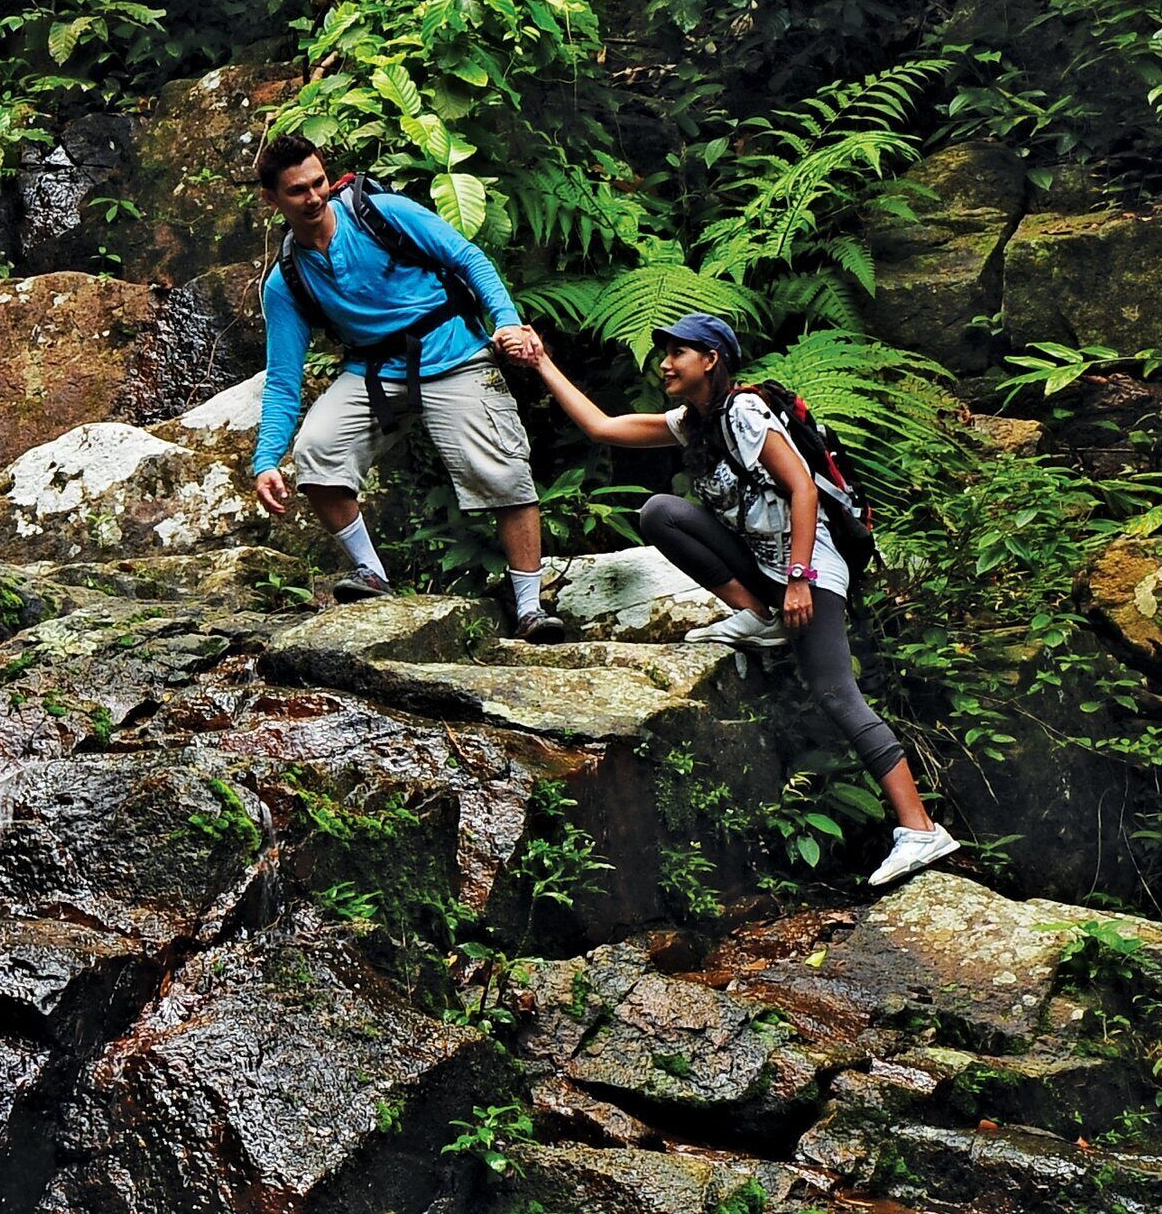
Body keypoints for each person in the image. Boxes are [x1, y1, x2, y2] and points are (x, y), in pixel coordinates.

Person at [508, 311, 963, 888]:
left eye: (678, 353)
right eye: (664, 353)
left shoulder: (745, 412)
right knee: (660, 513)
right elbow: (602, 427)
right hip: (767, 570)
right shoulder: (695, 422)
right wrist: (543, 361)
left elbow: (800, 486)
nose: (665, 364)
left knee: (833, 691)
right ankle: (756, 613)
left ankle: (919, 827)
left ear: (711, 359)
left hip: (811, 567)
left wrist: (799, 579)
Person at [235, 132, 570, 641]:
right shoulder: (286, 280)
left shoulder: (382, 213)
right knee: (317, 450)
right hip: (375, 371)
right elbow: (284, 380)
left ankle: (529, 609)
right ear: (272, 199)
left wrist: (505, 322)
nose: (313, 197)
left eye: (319, 182)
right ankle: (373, 575)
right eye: (297, 191)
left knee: (501, 472)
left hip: (453, 351)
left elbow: (470, 259)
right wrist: (264, 461)